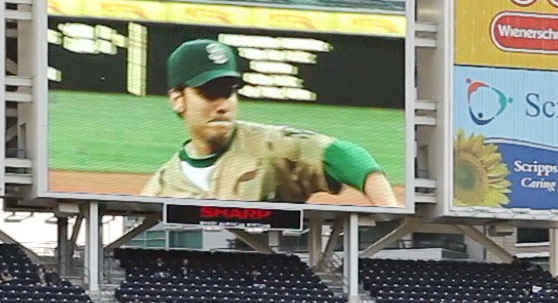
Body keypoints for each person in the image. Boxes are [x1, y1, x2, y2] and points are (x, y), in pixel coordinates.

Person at [142, 40, 399, 207]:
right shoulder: (160, 187)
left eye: (228, 91)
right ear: (178, 100)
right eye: (209, 92)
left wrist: (388, 207)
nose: (223, 104)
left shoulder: (269, 147)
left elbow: (345, 155)